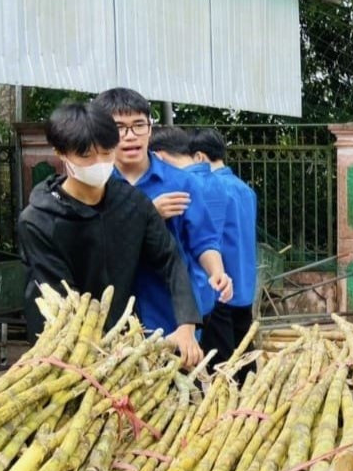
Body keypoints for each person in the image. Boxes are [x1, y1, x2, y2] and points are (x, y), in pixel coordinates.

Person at [16, 101, 202, 367]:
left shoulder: (133, 203)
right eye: (86, 156)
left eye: (106, 152)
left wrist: (186, 325)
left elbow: (170, 260)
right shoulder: (38, 221)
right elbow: (59, 297)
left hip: (125, 339)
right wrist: (91, 354)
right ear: (61, 153)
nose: (99, 162)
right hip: (63, 345)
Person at [89, 88, 231, 339]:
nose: (130, 136)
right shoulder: (96, 185)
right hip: (110, 316)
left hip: (172, 316)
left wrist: (217, 271)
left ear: (150, 128)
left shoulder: (182, 183)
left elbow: (204, 240)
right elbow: (89, 241)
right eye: (120, 127)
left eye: (138, 125)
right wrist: (148, 215)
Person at [148, 125, 239, 363]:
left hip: (190, 294)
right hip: (216, 288)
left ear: (157, 155)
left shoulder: (183, 184)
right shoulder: (227, 185)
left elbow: (200, 239)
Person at [189, 127, 258, 364]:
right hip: (245, 285)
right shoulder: (245, 189)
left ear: (199, 157)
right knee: (245, 358)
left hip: (220, 289)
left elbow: (206, 239)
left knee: (223, 364)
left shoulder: (208, 188)